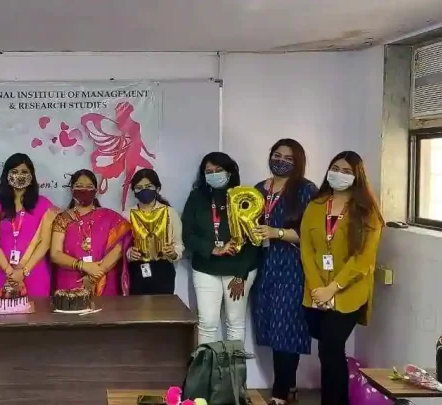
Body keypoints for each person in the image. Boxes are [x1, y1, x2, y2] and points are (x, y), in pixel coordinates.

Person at [301, 151, 383, 405]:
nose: (339, 174)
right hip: (316, 291)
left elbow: (363, 259)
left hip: (349, 292)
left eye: (347, 171)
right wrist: (318, 287)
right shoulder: (315, 206)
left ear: (357, 177)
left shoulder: (368, 212)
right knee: (325, 349)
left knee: (331, 347)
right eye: (335, 168)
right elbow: (307, 249)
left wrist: (333, 288)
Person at [249, 140, 318, 405]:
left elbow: (311, 233)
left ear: (297, 162)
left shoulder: (306, 190)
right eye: (277, 155)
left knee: (287, 328)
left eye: (288, 158)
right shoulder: (258, 189)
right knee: (269, 325)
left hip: (292, 266)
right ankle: (289, 386)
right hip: (264, 265)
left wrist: (276, 232)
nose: (281, 161)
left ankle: (280, 393)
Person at [182, 152, 260, 344]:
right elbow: (187, 235)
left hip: (238, 269)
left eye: (218, 170)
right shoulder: (196, 197)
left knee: (235, 322)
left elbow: (254, 240)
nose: (214, 174)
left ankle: (234, 365)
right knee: (207, 323)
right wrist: (212, 249)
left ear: (230, 172)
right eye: (209, 171)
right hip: (206, 268)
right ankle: (206, 364)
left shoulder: (244, 197)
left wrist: (241, 275)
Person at [51, 169, 132, 295]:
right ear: (71, 190)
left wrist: (95, 275)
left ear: (96, 191)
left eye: (89, 186)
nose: (84, 190)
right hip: (70, 282)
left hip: (103, 280)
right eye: (79, 186)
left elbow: (119, 247)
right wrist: (82, 265)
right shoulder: (62, 219)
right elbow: (55, 254)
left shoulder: (109, 217)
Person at [0, 153, 56, 296]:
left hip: (34, 272)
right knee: (3, 310)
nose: (19, 175)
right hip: (4, 273)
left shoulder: (44, 204)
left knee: (36, 310)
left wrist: (24, 271)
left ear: (31, 176)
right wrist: (11, 273)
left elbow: (44, 243)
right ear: (7, 175)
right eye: (15, 171)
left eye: (24, 172)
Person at [123, 169, 184, 295]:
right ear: (134, 191)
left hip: (163, 269)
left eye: (149, 186)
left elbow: (178, 244)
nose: (144, 190)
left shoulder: (170, 213)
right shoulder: (126, 215)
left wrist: (173, 253)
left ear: (157, 188)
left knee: (162, 306)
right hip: (136, 269)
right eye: (139, 188)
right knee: (137, 306)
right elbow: (122, 247)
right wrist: (129, 254)